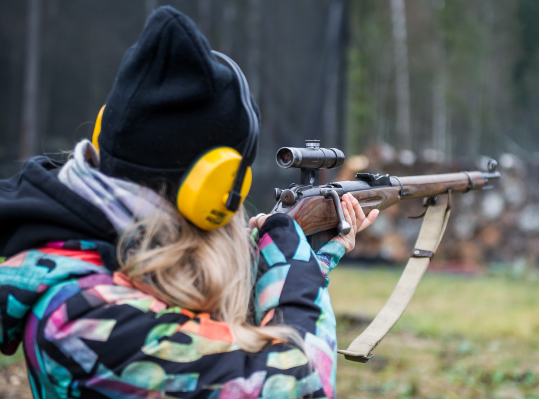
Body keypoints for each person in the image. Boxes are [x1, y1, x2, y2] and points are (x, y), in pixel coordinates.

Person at [0, 6, 378, 399]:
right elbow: (300, 383)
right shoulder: (80, 317)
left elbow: (200, 340)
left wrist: (309, 263)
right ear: (215, 190)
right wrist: (291, 261)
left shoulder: (88, 251)